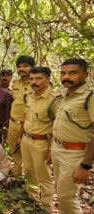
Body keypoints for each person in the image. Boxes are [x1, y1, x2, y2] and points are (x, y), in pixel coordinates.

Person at [50, 58, 94, 214]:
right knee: (61, 192)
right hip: (58, 148)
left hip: (75, 154)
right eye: (63, 73)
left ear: (85, 74)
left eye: (72, 73)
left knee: (67, 197)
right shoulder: (66, 94)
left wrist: (86, 165)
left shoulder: (90, 97)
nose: (66, 77)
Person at [16, 66, 54, 212]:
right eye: (31, 78)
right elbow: (26, 118)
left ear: (48, 78)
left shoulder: (54, 100)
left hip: (42, 142)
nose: (34, 82)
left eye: (38, 78)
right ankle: (31, 195)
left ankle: (46, 206)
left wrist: (51, 149)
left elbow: (57, 126)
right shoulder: (31, 97)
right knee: (29, 169)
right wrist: (20, 136)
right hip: (27, 138)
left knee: (43, 175)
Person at [7, 55, 35, 177]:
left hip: (29, 125)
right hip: (13, 123)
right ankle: (17, 178)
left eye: (25, 66)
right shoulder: (15, 84)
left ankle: (31, 186)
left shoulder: (36, 84)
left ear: (32, 67)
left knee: (29, 156)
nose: (21, 69)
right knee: (15, 152)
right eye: (19, 67)